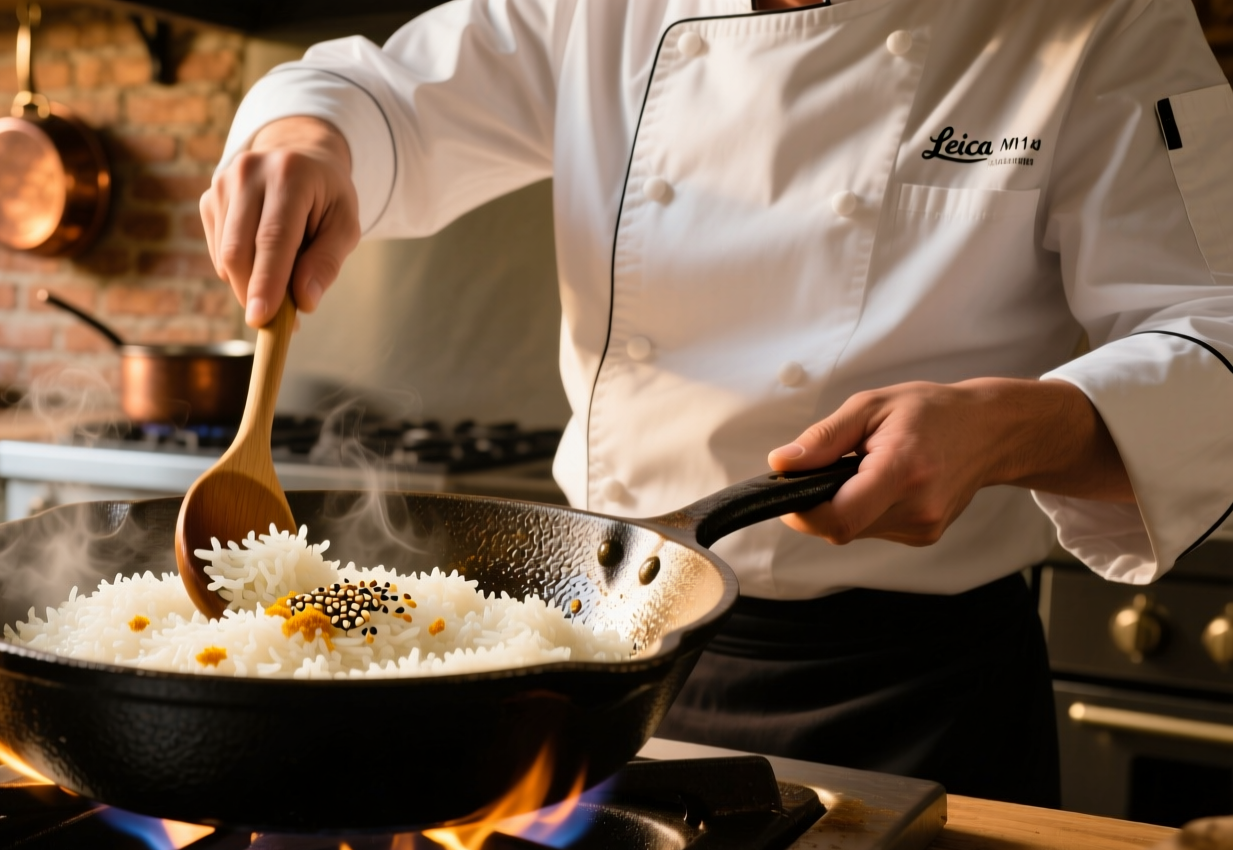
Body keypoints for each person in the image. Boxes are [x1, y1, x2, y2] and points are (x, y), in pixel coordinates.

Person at [199, 0, 1233, 807]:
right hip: (602, 653)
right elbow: (378, 92)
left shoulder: (1102, 23)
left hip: (912, 695)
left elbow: (1214, 331)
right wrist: (311, 138)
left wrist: (1014, 427)